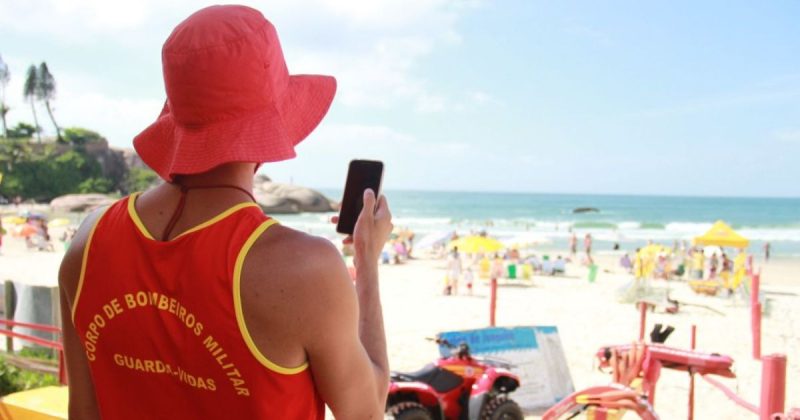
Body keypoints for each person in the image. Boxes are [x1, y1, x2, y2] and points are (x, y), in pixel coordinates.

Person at [58, 6, 392, 419]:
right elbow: (368, 410)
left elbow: (83, 412)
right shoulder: (304, 269)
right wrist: (367, 261)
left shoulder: (88, 241)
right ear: (270, 125)